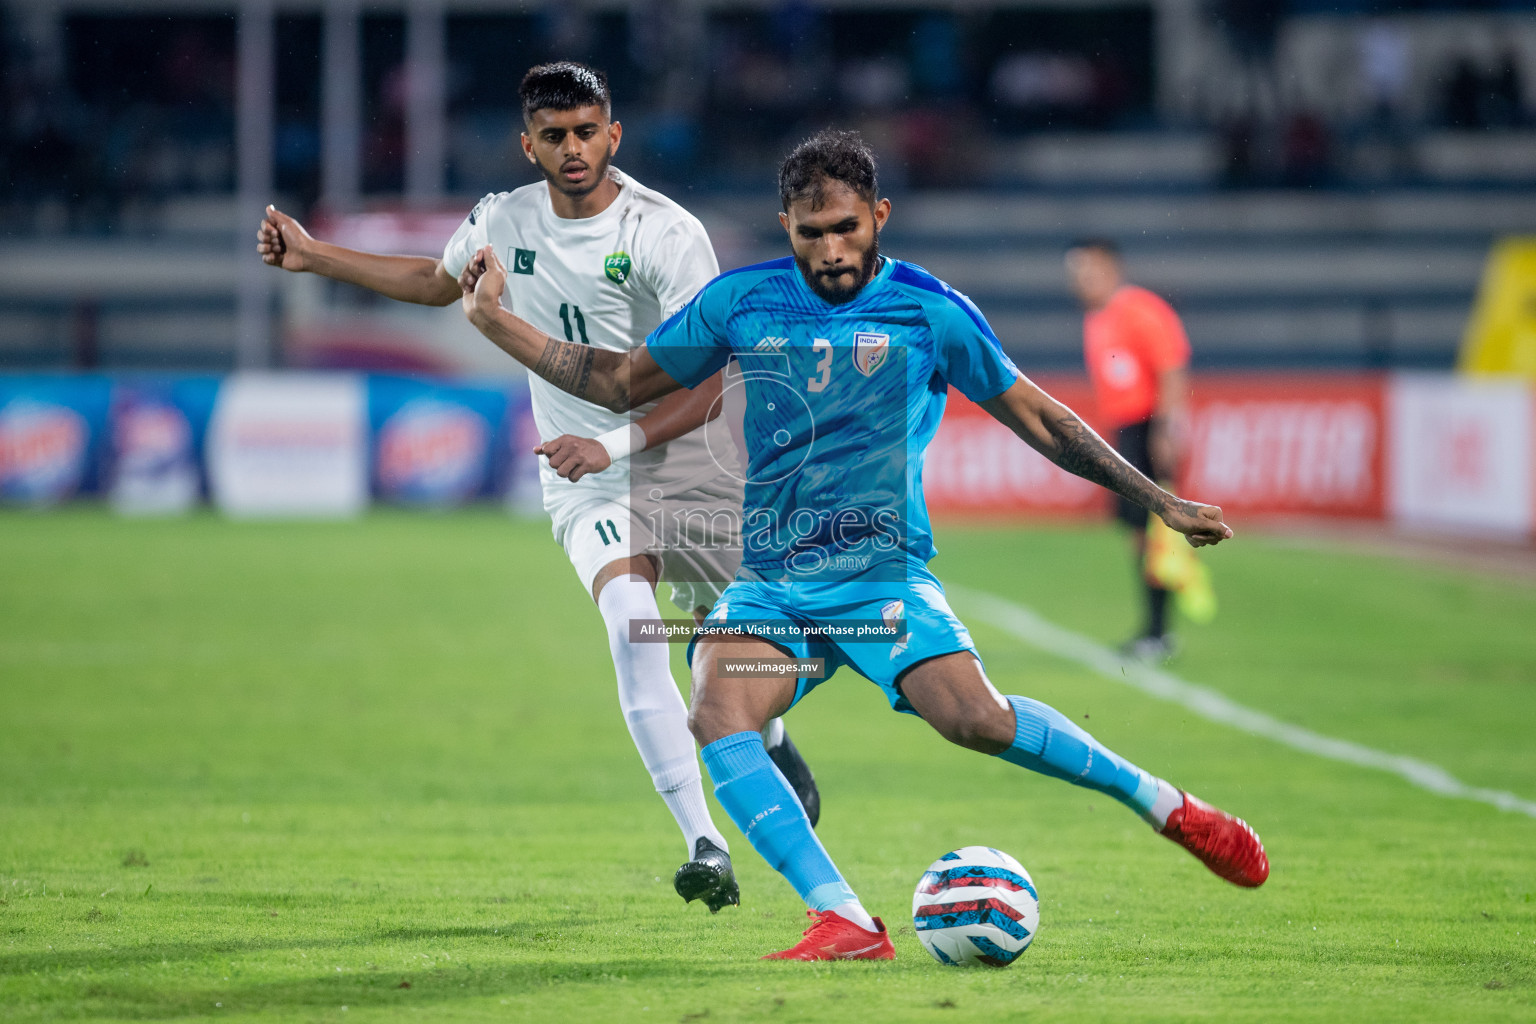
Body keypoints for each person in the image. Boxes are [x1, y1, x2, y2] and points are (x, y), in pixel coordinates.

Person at [457, 128, 1269, 962]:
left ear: (879, 216)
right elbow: (623, 381)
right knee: (716, 709)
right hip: (773, 583)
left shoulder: (931, 311)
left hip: (879, 580)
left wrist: (1160, 501)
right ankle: (842, 917)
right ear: (786, 227)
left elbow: (1041, 419)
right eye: (812, 233)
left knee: (978, 722)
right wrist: (497, 325)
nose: (832, 249)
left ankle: (1166, 805)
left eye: (847, 227)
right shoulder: (743, 303)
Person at [255, 61, 821, 915]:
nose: (572, 149)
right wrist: (315, 256)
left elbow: (708, 380)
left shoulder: (668, 234)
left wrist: (613, 441)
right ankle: (704, 840)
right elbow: (435, 282)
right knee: (634, 629)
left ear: (613, 134)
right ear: (528, 145)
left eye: (586, 132)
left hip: (693, 460)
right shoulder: (500, 218)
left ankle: (773, 738)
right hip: (587, 481)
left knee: (720, 652)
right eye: (553, 137)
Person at [1065, 239, 1194, 662]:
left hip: (1146, 426)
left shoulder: (1138, 309)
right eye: (1076, 272)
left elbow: (1171, 366)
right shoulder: (1098, 318)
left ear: (1109, 267)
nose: (1080, 280)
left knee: (1155, 530)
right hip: (1125, 429)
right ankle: (1154, 629)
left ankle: (1159, 631)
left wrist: (1167, 427)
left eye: (1087, 270)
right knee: (1138, 532)